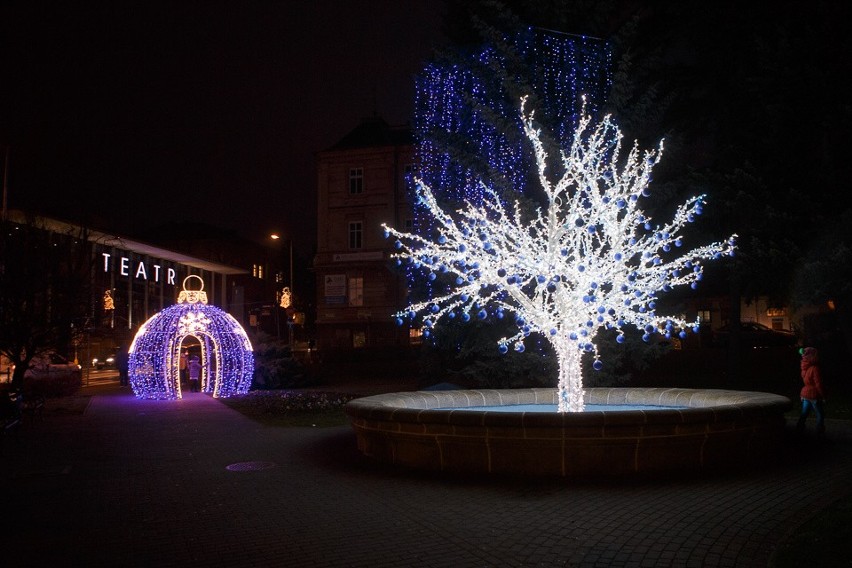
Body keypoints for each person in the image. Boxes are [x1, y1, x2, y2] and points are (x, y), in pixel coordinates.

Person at [796, 346, 826, 438]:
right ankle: (819, 432)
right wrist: (823, 396)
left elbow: (806, 382)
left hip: (805, 393)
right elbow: (818, 384)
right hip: (814, 395)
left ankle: (799, 429)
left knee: (804, 413)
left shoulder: (804, 368)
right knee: (820, 414)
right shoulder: (814, 368)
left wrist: (802, 395)